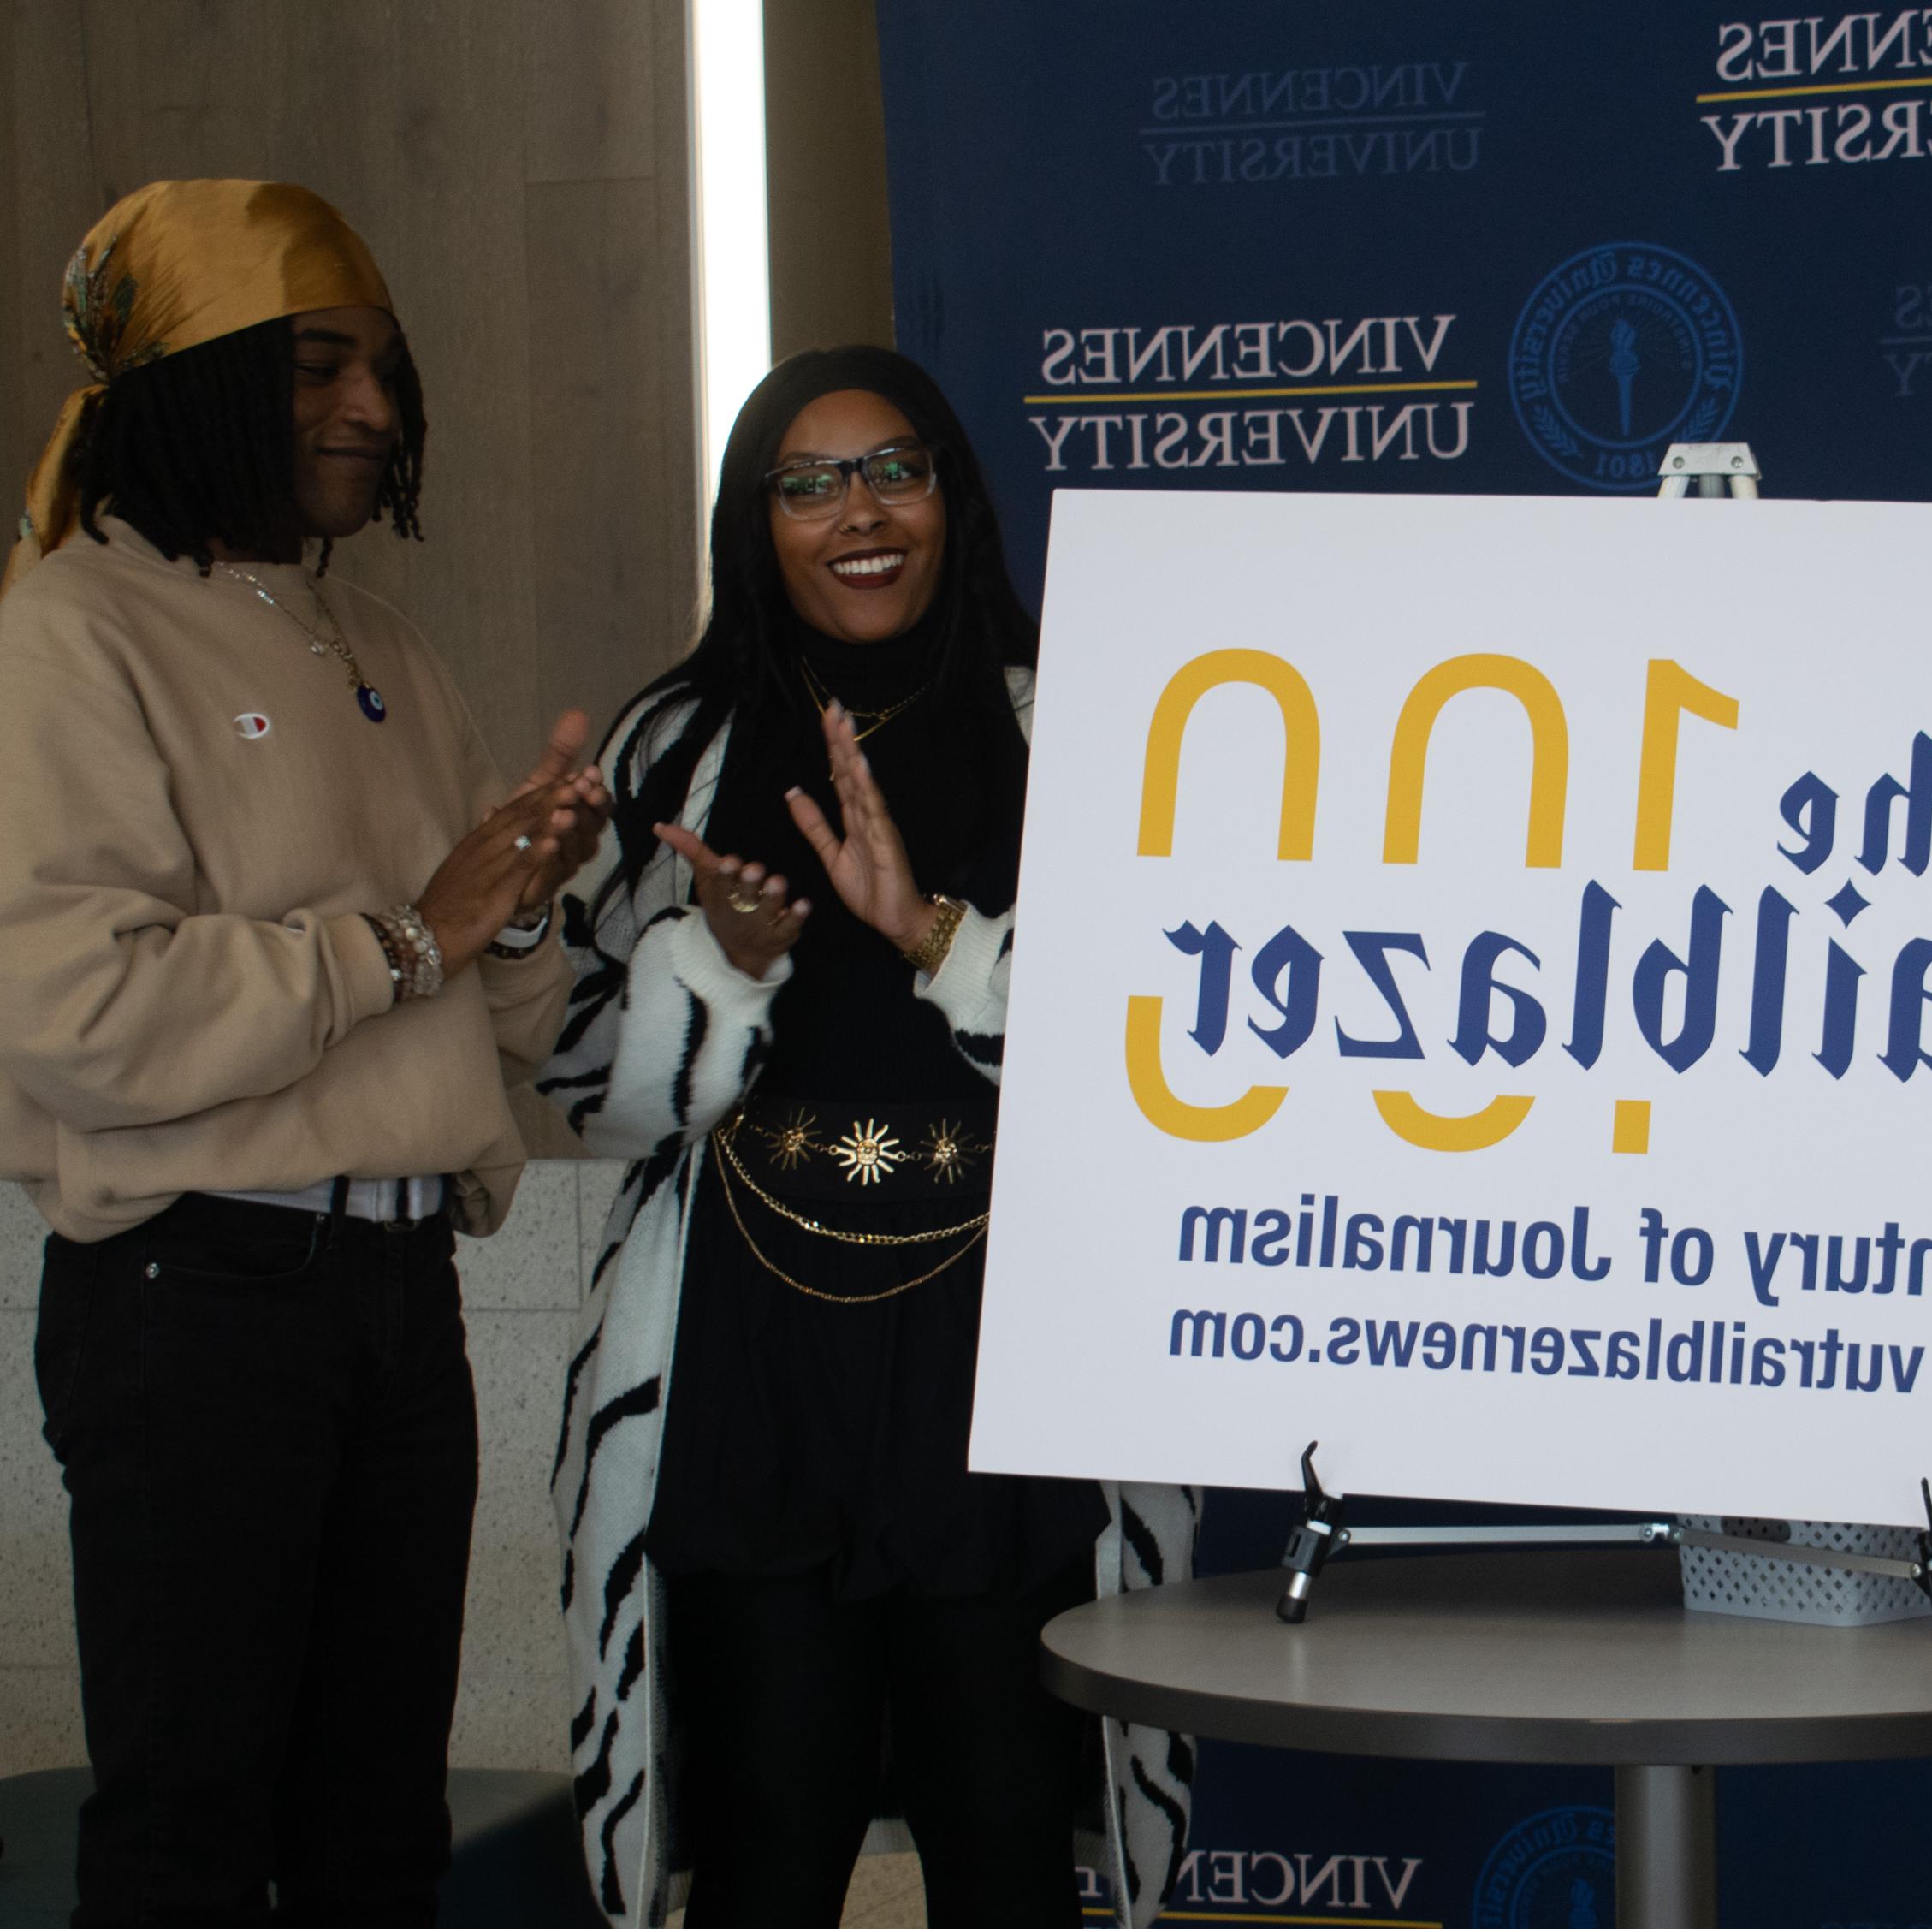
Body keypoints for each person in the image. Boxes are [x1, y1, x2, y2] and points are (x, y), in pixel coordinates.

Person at [0, 180, 606, 1924]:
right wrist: (408, 931)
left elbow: (491, 1021)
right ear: (186, 385)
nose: (372, 409)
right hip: (199, 1297)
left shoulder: (387, 648)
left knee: (375, 1835)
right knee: (189, 1831)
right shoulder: (73, 630)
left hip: (399, 1295)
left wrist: (523, 904)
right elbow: (81, 1010)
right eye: (317, 366)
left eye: (384, 368)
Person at [542, 345, 1195, 1929]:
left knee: (1003, 1822)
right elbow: (579, 1079)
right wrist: (722, 964)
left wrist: (940, 935)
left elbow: (1173, 1054)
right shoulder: (674, 746)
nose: (860, 512)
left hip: (1003, 1353)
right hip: (754, 1354)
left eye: (893, 468)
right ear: (754, 523)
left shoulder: (1085, 727)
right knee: (773, 1819)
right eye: (810, 482)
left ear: (951, 497)